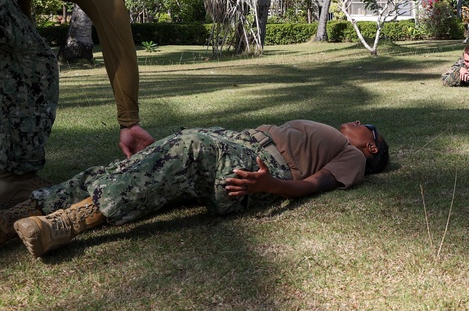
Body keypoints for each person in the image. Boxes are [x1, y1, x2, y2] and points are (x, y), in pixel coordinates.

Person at [0, 0, 188, 208]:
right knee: (38, 66)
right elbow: (121, 49)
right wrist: (130, 122)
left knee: (27, 61)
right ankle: (14, 179)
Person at [0, 119, 390, 258]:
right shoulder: (342, 141)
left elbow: (313, 185)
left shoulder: (353, 158)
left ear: (370, 144)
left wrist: (273, 184)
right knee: (138, 165)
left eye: (363, 125)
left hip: (260, 171)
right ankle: (21, 215)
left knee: (190, 147)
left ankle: (65, 224)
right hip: (244, 144)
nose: (354, 121)